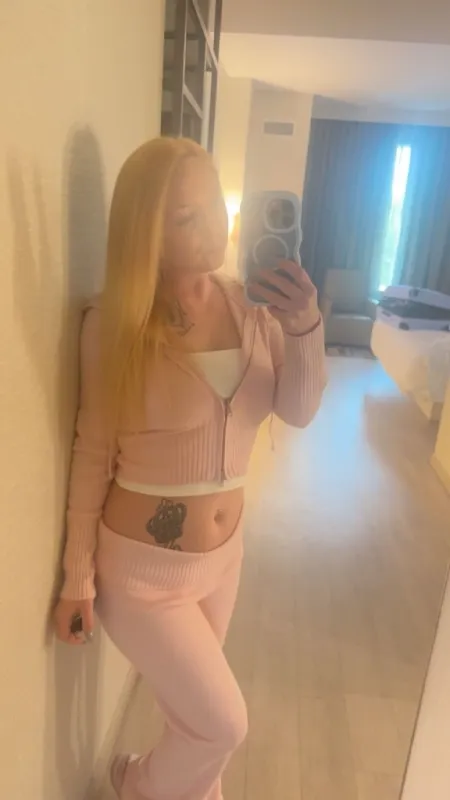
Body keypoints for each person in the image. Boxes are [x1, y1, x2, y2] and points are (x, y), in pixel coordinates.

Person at [54, 136, 326, 800]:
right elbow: (92, 453)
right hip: (142, 577)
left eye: (216, 208)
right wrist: (77, 579)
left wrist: (304, 327)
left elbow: (298, 411)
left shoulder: (253, 309)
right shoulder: (114, 325)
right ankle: (135, 784)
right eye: (186, 217)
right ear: (146, 231)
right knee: (222, 726)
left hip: (223, 562)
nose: (211, 228)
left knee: (197, 728)